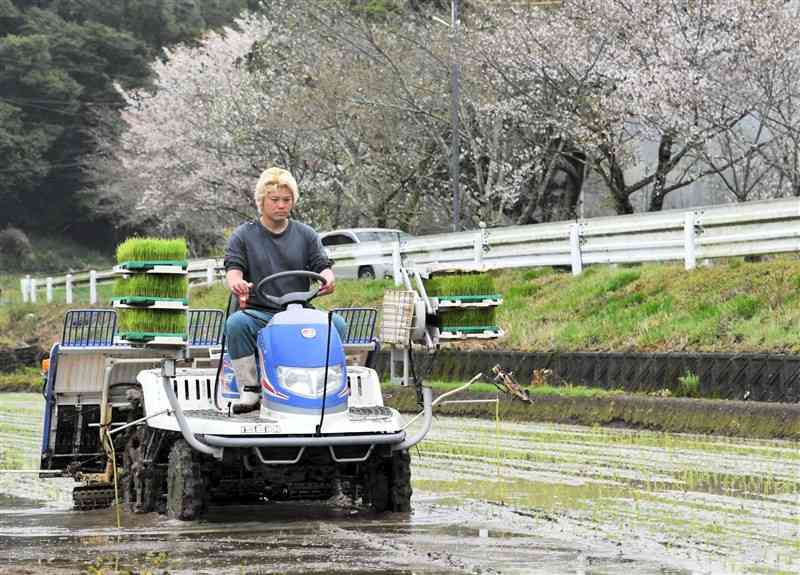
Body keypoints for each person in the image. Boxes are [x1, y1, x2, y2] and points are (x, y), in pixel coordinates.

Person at [224, 167, 344, 412]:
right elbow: (233, 270)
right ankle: (250, 389)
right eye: (275, 200)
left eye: (286, 200)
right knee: (236, 324)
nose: (281, 205)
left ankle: (328, 385)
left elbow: (323, 266)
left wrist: (328, 277)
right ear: (261, 202)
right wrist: (236, 282)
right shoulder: (243, 235)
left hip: (299, 310)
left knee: (337, 324)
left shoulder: (306, 234)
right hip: (261, 313)